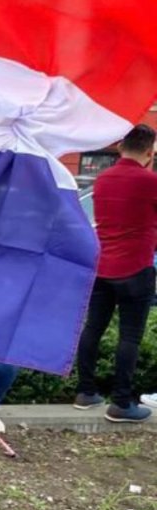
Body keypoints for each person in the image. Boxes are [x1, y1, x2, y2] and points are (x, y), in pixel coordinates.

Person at [74, 124, 157, 423]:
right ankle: (121, 403)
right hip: (136, 267)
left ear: (121, 147)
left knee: (93, 328)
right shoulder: (150, 181)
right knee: (130, 336)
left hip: (102, 266)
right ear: (149, 152)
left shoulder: (103, 179)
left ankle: (85, 392)